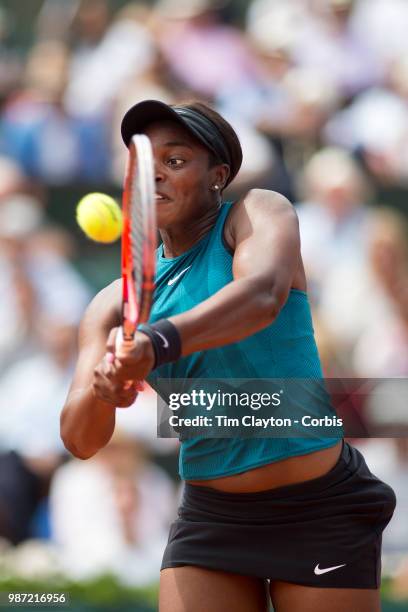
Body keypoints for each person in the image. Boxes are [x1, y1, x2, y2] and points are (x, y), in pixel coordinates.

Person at [60, 99, 396, 612]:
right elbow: (81, 439)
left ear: (218, 175)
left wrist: (155, 343)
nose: (156, 177)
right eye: (145, 165)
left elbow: (261, 295)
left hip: (318, 507)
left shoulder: (258, 212)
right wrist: (105, 391)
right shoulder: (110, 302)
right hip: (211, 517)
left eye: (175, 162)